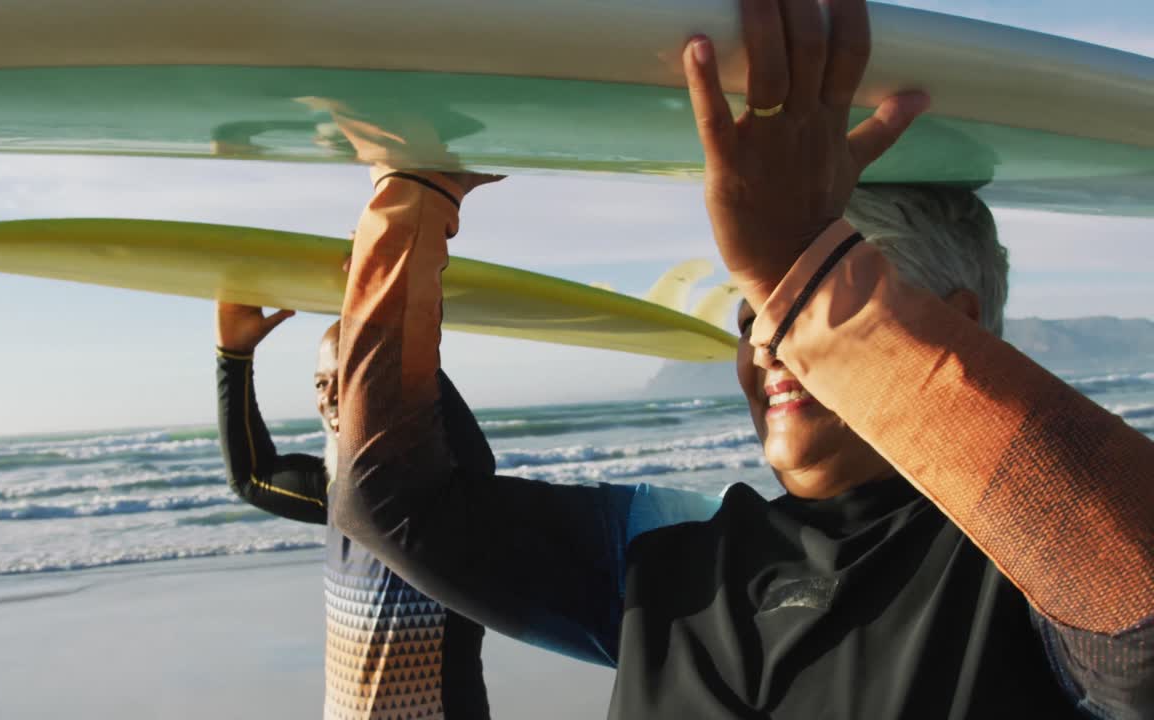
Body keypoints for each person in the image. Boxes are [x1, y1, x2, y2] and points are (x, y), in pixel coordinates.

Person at [325, 1, 1154, 718]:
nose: (764, 337)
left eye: (790, 298)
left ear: (954, 322)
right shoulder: (676, 551)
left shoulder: (1016, 582)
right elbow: (398, 503)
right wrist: (414, 196)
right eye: (753, 305)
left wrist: (807, 269)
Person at [214, 308, 491, 719]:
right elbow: (252, 477)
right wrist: (234, 357)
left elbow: (477, 463)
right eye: (321, 382)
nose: (328, 396)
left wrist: (393, 323)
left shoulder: (439, 483)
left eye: (347, 377)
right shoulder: (337, 491)